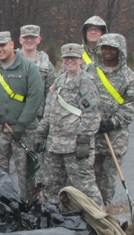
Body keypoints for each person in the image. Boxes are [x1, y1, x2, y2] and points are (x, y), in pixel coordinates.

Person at [35, 43, 104, 207]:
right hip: (54, 145)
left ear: (80, 60)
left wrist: (84, 140)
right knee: (51, 185)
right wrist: (41, 133)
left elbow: (92, 114)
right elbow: (50, 110)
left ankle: (102, 222)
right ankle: (53, 218)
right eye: (66, 58)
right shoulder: (59, 80)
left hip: (75, 146)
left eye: (73, 58)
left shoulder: (85, 82)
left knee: (85, 187)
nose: (69, 61)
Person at [0, 31, 44, 199]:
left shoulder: (29, 68)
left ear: (12, 44)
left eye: (3, 45)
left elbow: (35, 97)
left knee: (26, 173)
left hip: (24, 130)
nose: (0, 49)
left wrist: (21, 124)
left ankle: (28, 205)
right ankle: (2, 204)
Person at [90, 33, 134, 205]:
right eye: (104, 48)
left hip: (115, 137)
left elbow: (133, 104)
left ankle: (104, 209)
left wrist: (112, 122)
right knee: (89, 177)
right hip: (92, 135)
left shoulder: (128, 76)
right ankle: (90, 210)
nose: (107, 52)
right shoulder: (90, 71)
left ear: (120, 51)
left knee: (108, 178)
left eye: (112, 49)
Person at [18, 24, 56, 198]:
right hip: (14, 118)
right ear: (20, 40)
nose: (29, 40)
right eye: (26, 37)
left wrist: (47, 119)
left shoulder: (46, 65)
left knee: (33, 162)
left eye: (33, 37)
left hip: (37, 120)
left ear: (39, 40)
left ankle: (33, 198)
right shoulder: (12, 61)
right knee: (15, 162)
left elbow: (52, 93)